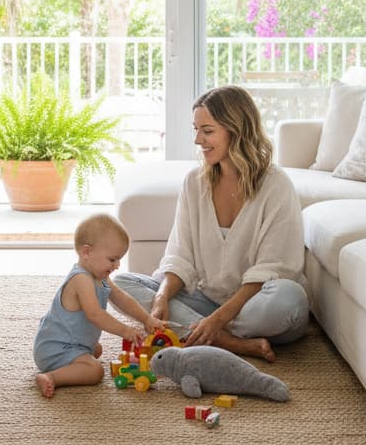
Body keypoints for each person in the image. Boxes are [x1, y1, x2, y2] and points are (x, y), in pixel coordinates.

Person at [114, 85, 309, 363]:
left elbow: (275, 269)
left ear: (236, 130)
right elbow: (180, 256)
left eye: (207, 131)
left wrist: (218, 319)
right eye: (196, 129)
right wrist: (160, 299)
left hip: (257, 307)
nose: (197, 140)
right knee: (119, 284)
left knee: (289, 299)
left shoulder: (276, 186)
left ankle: (200, 330)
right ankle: (230, 343)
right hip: (206, 301)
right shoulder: (195, 183)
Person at [33, 213, 166, 398]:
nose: (117, 265)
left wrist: (146, 318)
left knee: (96, 349)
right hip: (55, 348)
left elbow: (121, 298)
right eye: (112, 259)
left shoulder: (101, 279)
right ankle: (51, 376)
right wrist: (125, 330)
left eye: (119, 259)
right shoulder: (81, 279)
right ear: (86, 252)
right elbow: (95, 315)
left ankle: (79, 357)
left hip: (73, 344)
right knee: (95, 371)